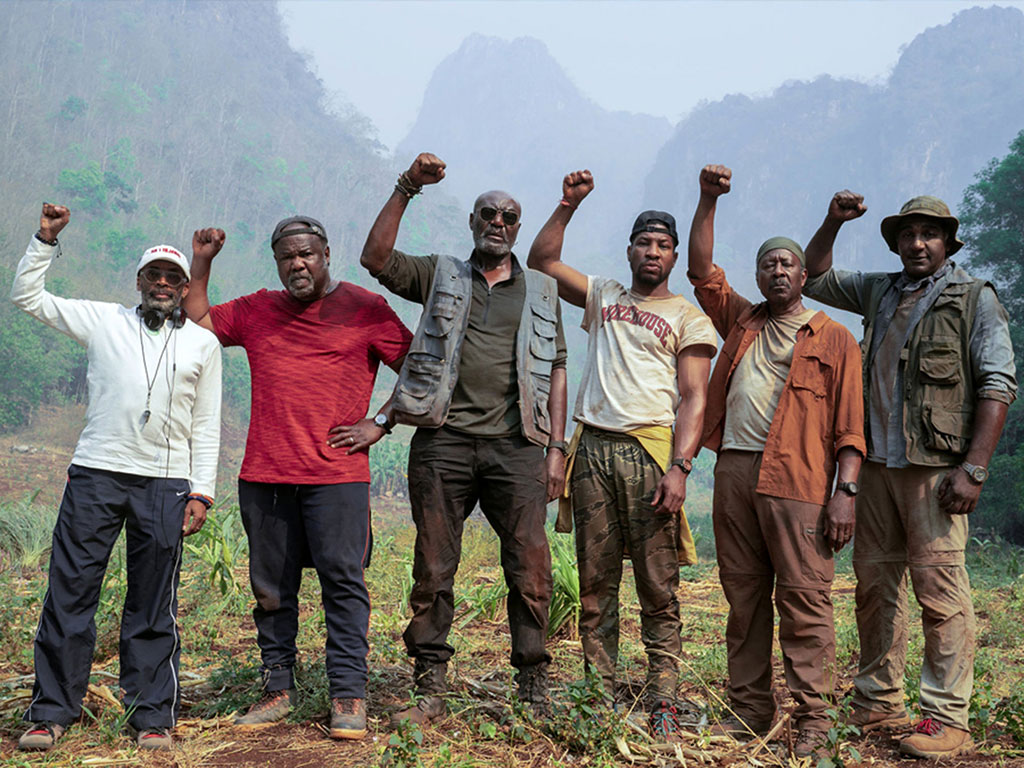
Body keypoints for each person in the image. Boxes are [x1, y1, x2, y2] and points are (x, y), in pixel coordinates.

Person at [803, 191, 1017, 758]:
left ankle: (946, 717)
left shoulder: (974, 298)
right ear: (895, 242)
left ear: (948, 241)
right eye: (906, 234)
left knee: (939, 590)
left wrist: (973, 469)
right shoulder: (881, 289)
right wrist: (833, 220)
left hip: (935, 470)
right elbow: (815, 276)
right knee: (876, 588)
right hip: (876, 466)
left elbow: (997, 384)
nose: (916, 243)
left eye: (928, 234)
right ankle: (879, 700)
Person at [181, 216, 412, 741]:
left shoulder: (365, 308)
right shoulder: (259, 308)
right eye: (287, 257)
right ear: (277, 261)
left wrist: (381, 422)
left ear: (327, 253)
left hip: (337, 476)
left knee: (343, 584)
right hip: (265, 474)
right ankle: (277, 689)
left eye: (306, 254)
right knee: (272, 590)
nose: (297, 265)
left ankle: (349, 695)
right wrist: (203, 261)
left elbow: (421, 366)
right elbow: (198, 321)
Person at [359, 152, 568, 725]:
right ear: (473, 223)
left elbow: (557, 373)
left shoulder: (543, 293)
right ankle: (429, 686)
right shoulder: (442, 274)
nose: (497, 223)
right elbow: (375, 258)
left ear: (518, 228)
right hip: (443, 443)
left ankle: (533, 684)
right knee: (432, 565)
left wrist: (556, 450)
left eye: (508, 217)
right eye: (487, 215)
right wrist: (407, 187)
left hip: (518, 446)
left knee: (530, 566)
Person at [12, 204, 222, 752]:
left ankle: (151, 716)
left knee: (153, 602)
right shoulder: (105, 320)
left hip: (166, 483)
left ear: (181, 288)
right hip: (96, 474)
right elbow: (27, 298)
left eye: (172, 277)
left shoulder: (203, 344)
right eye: (153, 274)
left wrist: (202, 490)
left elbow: (206, 424)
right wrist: (45, 240)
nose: (162, 283)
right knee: (70, 592)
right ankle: (52, 711)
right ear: (138, 281)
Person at [527, 170, 715, 737]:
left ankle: (663, 697)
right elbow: (541, 260)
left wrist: (681, 468)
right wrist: (567, 204)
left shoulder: (688, 316)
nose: (652, 252)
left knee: (658, 585)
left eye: (662, 245)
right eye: (643, 243)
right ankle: (598, 693)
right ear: (629, 249)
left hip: (651, 453)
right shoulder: (605, 294)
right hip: (593, 453)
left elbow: (694, 398)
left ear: (675, 255)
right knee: (596, 583)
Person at [687, 166, 866, 758]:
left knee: (805, 597)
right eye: (769, 264)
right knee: (743, 596)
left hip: (800, 479)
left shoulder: (833, 336)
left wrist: (845, 492)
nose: (779, 271)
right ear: (759, 275)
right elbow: (701, 272)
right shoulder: (742, 319)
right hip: (735, 472)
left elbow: (850, 427)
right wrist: (708, 199)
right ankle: (749, 712)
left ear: (805, 273)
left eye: (788, 263)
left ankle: (815, 718)